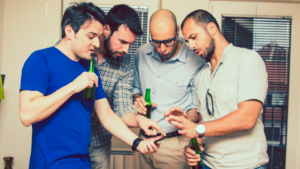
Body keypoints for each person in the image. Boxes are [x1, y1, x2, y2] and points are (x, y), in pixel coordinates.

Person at [19, 3, 161, 169]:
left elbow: (107, 115)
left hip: (82, 160)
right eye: (91, 36)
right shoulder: (40, 59)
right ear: (69, 31)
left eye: (98, 37)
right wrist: (73, 86)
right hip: (50, 162)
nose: (96, 43)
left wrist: (137, 142)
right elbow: (26, 115)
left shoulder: (88, 66)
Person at [165, 9, 269, 169]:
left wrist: (197, 129)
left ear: (212, 28)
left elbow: (248, 118)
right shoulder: (201, 76)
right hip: (207, 164)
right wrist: (192, 146)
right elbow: (203, 124)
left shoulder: (248, 59)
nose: (191, 46)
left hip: (245, 165)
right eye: (187, 41)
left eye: (193, 37)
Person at [89, 4, 165, 169]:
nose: (126, 50)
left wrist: (141, 120)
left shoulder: (125, 64)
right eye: (122, 41)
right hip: (69, 139)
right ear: (106, 29)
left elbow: (122, 108)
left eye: (131, 44)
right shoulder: (83, 51)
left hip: (99, 142)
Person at [133, 9, 205, 169]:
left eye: (168, 41)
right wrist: (137, 97)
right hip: (144, 141)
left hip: (174, 147)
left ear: (178, 31)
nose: (162, 48)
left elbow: (197, 110)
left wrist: (184, 117)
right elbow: (136, 88)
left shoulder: (196, 60)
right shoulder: (141, 54)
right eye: (156, 42)